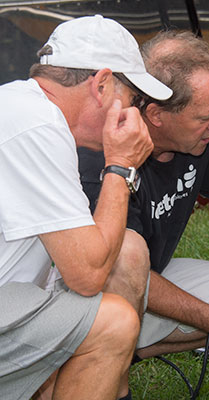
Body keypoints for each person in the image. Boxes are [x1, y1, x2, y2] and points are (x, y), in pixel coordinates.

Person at [78, 30, 209, 362]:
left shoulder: (206, 129)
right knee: (130, 256)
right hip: (80, 289)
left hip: (145, 274)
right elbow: (125, 269)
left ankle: (130, 347)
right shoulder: (100, 153)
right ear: (156, 115)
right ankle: (102, 352)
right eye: (206, 117)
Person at [0, 15, 173, 400]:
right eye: (135, 100)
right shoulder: (37, 126)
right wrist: (120, 167)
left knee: (126, 250)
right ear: (102, 84)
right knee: (112, 323)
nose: (138, 114)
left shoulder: (25, 109)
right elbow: (88, 274)